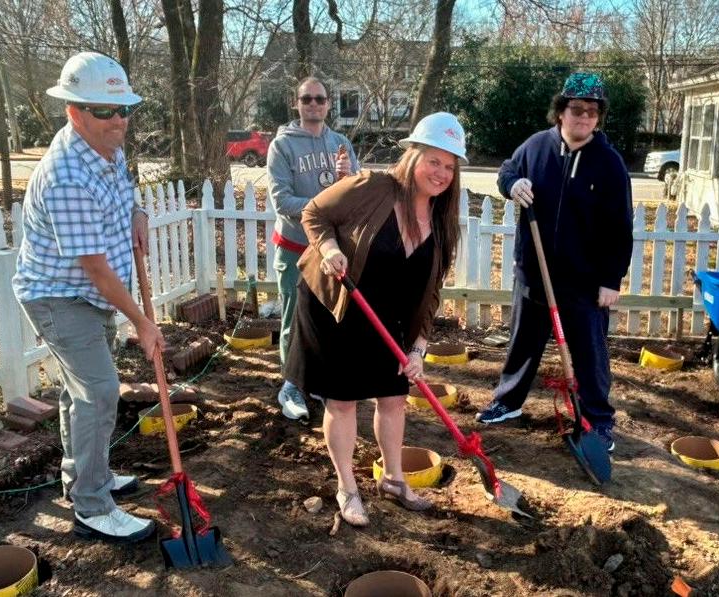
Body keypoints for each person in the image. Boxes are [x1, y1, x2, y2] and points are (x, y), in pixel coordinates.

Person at [284, 112, 467, 526]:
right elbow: (314, 213)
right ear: (414, 155)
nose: (441, 173)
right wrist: (330, 248)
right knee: (343, 400)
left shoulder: (442, 222)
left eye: (449, 166)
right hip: (338, 305)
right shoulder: (372, 187)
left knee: (394, 397)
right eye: (434, 161)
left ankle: (394, 480)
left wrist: (418, 348)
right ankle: (347, 487)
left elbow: (430, 294)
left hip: (388, 316)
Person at [13, 52, 165, 543]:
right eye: (104, 110)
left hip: (89, 294)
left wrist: (138, 213)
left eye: (123, 109)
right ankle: (92, 505)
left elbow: (124, 192)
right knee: (98, 391)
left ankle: (81, 476)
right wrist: (142, 321)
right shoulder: (66, 177)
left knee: (79, 392)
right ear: (74, 111)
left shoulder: (107, 149)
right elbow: (95, 270)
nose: (118, 120)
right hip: (59, 296)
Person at [475, 72, 633, 453]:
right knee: (522, 344)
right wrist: (512, 185)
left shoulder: (609, 164)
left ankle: (598, 420)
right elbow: (507, 170)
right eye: (577, 109)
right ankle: (508, 402)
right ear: (561, 111)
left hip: (584, 282)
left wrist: (611, 279)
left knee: (590, 356)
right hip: (533, 273)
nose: (585, 118)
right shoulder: (536, 147)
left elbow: (620, 228)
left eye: (592, 112)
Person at [267, 77, 359, 421]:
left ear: (329, 104)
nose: (314, 104)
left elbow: (355, 194)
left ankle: (317, 380)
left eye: (320, 99)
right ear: (296, 103)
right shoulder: (282, 146)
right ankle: (291, 385)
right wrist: (323, 206)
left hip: (330, 251)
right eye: (307, 99)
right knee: (293, 317)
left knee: (327, 318)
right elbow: (282, 201)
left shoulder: (340, 143)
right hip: (295, 247)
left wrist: (346, 179)